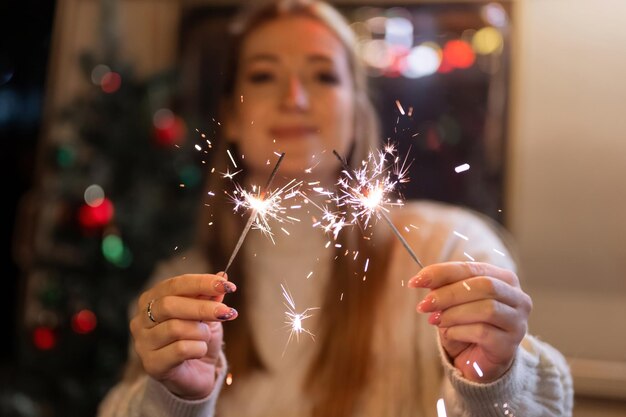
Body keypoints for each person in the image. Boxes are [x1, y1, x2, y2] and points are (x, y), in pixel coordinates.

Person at [98, 1, 573, 416]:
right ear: (234, 117)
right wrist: (172, 398)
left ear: (357, 113)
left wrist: (496, 379)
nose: (295, 99)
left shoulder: (449, 250)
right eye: (264, 75)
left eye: (323, 75)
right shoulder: (185, 291)